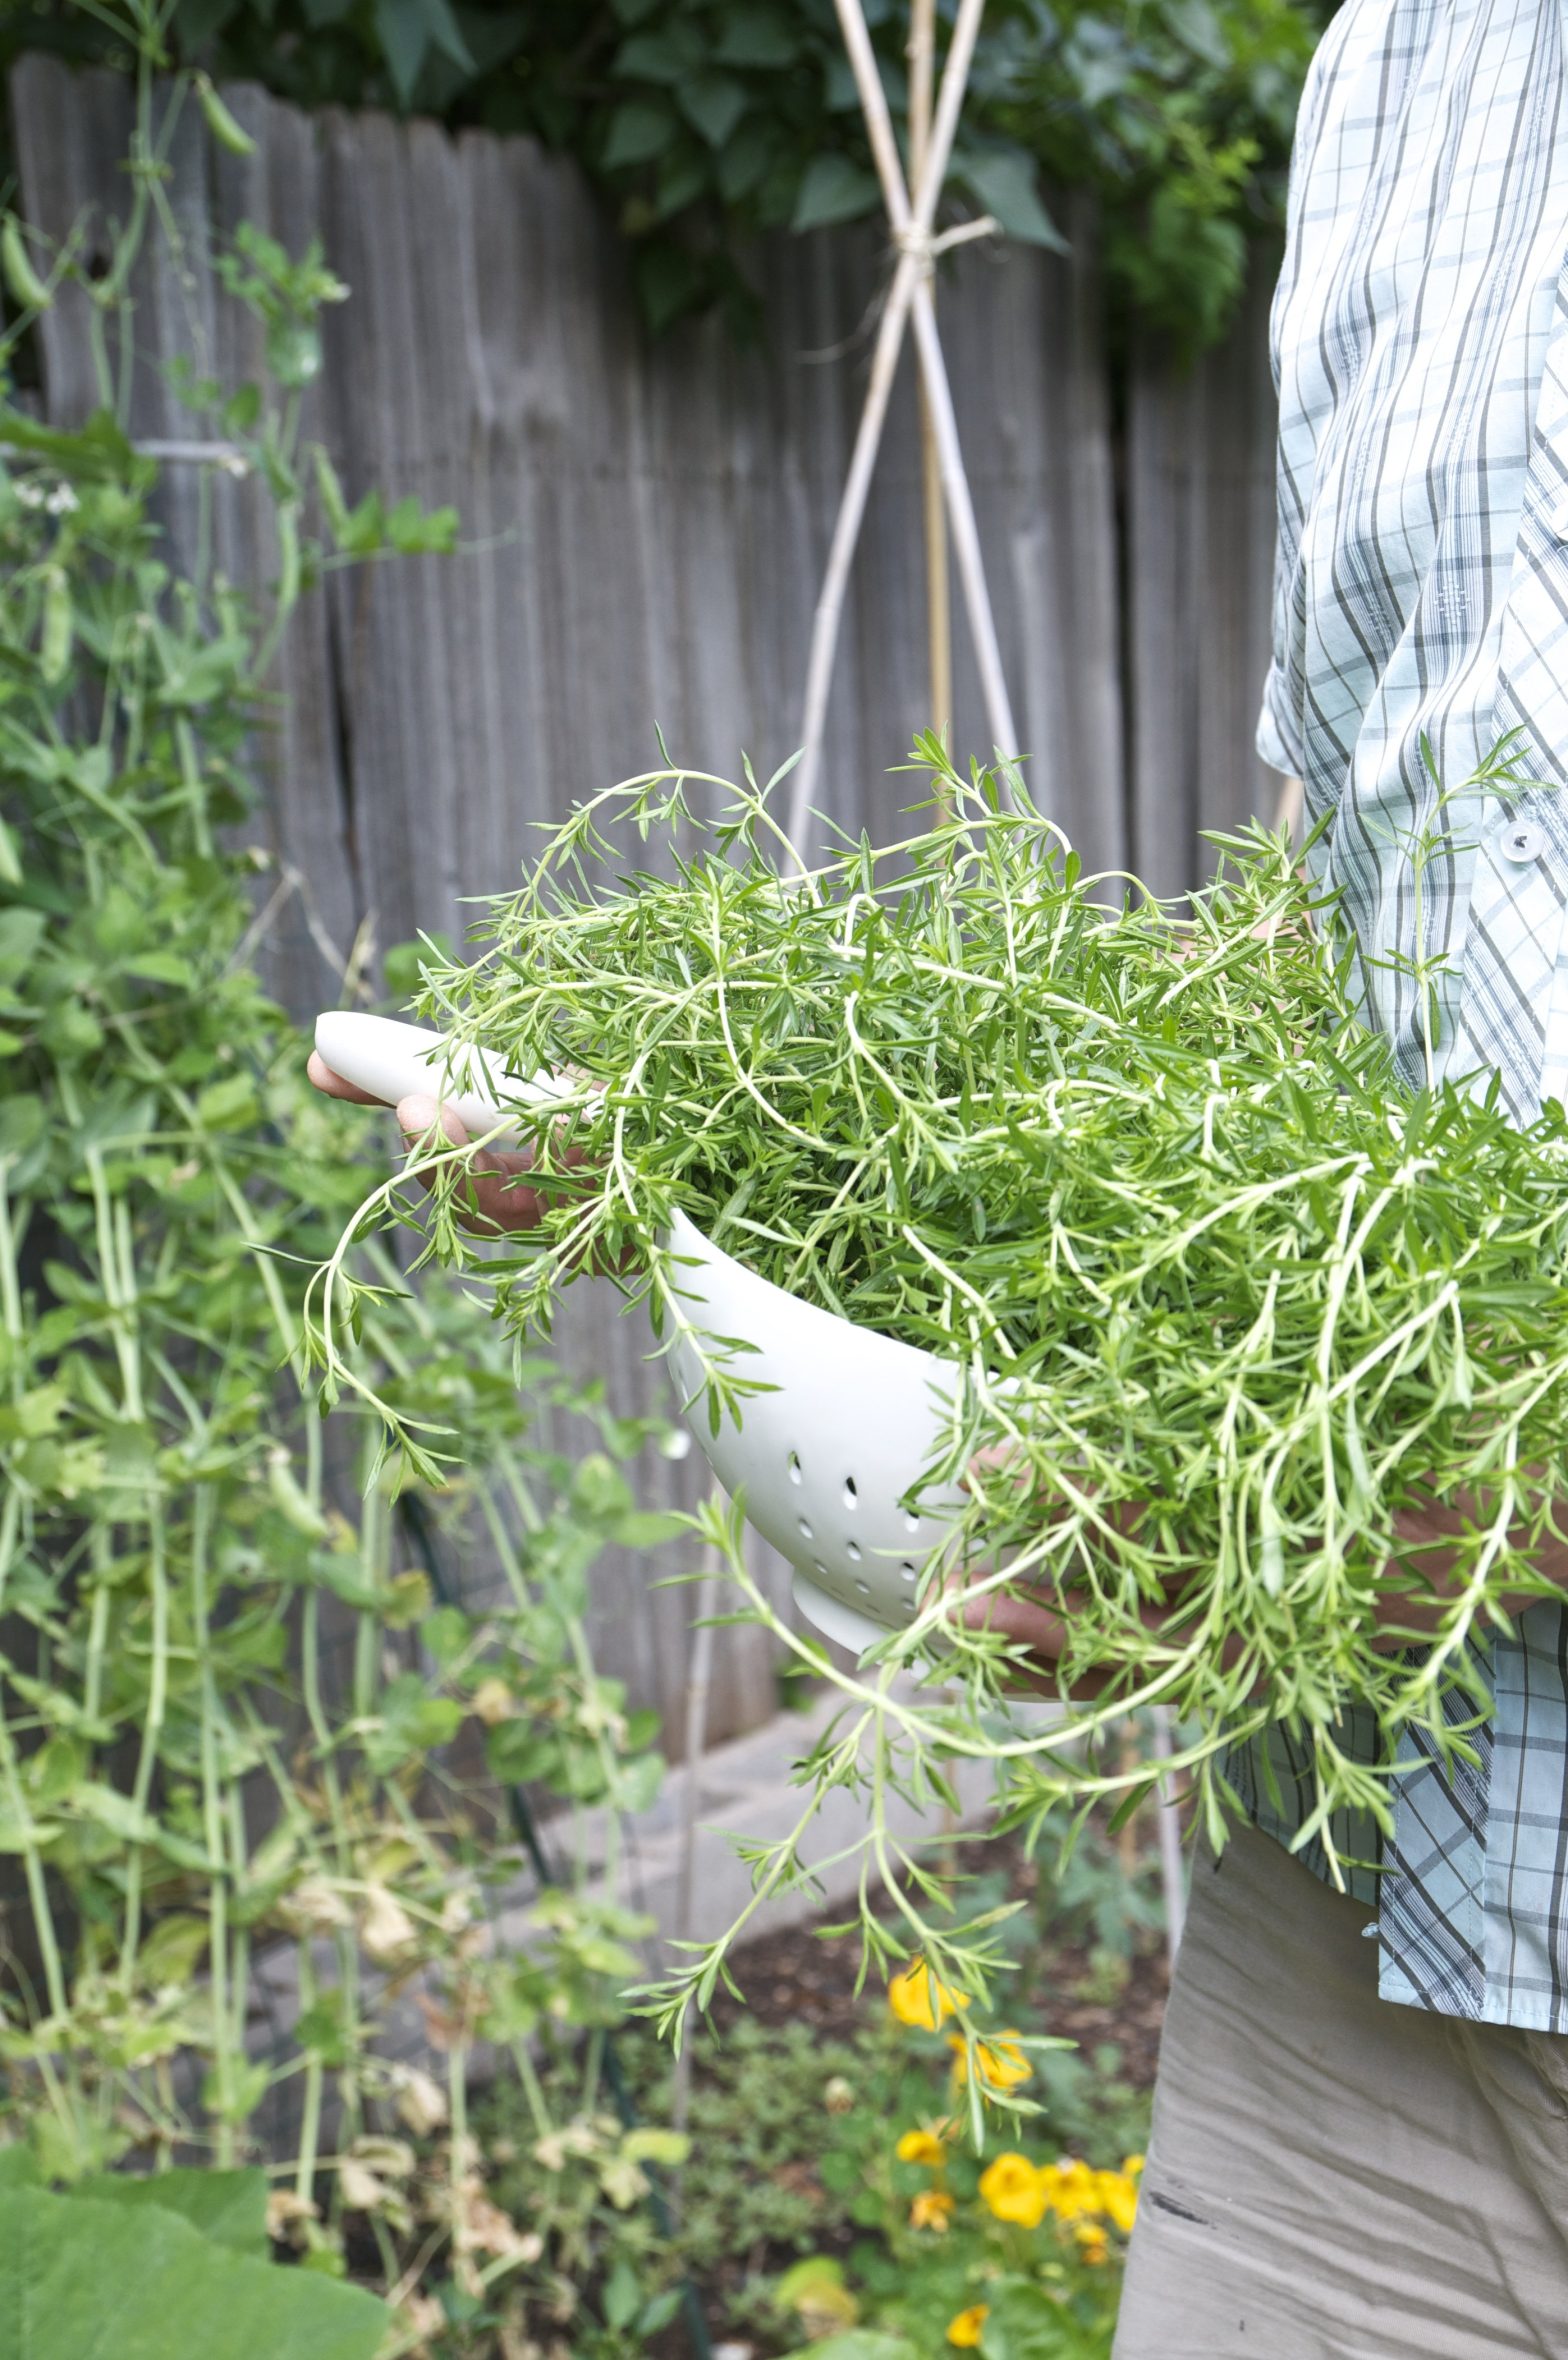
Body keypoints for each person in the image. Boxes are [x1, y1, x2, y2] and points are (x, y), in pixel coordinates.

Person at [313, 0, 1568, 2342]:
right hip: (1380, 1928)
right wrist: (727, 1160)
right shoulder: (1412, 58)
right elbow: (1374, 930)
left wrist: (1331, 1491)